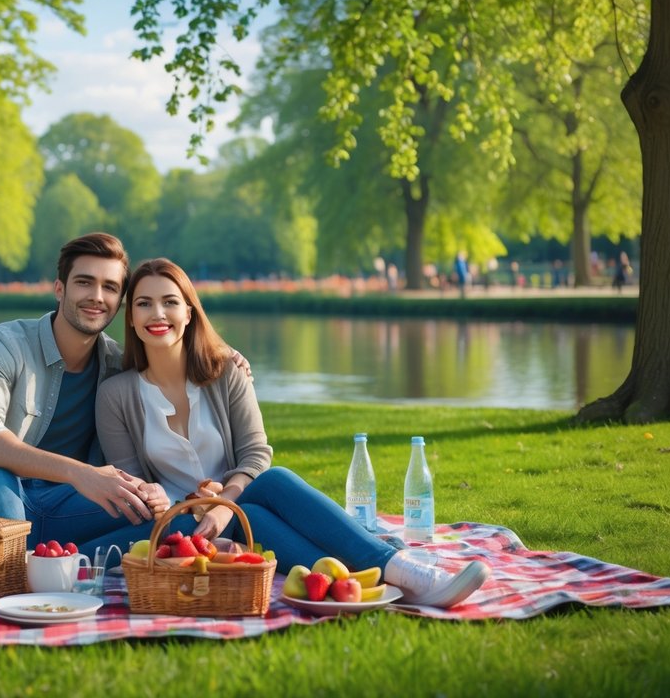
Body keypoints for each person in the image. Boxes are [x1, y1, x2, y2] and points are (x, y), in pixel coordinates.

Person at [96, 258, 491, 608]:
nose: (157, 313)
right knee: (258, 502)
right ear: (130, 318)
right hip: (183, 526)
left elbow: (255, 454)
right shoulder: (116, 395)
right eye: (144, 303)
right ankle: (393, 576)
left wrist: (223, 503)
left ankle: (396, 574)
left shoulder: (226, 373)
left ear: (189, 312)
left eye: (169, 301)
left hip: (241, 502)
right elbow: (137, 490)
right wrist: (196, 508)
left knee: (270, 484)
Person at [0, 233, 249, 559]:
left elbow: (173, 351)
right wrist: (78, 472)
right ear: (60, 289)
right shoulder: (6, 344)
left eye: (110, 288)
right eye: (85, 283)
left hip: (75, 506)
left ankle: (55, 562)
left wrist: (223, 354)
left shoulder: (117, 367)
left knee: (177, 526)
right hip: (0, 493)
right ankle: (28, 565)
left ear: (120, 303)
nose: (97, 297)